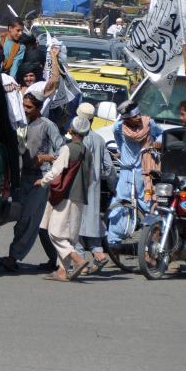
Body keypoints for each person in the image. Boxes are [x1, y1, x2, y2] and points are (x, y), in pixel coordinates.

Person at [0, 91, 64, 273]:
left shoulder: (47, 125)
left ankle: (13, 257)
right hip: (22, 176)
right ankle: (52, 259)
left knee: (28, 219)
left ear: (39, 108)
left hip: (40, 179)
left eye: (29, 107)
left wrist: (47, 158)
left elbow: (63, 152)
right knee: (21, 218)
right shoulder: (20, 124)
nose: (25, 110)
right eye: (23, 106)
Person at [38, 116, 92, 281]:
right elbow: (90, 178)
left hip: (65, 196)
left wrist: (43, 181)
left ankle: (78, 259)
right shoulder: (88, 153)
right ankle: (62, 271)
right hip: (80, 197)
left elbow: (56, 171)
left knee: (55, 232)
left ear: (71, 130)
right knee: (69, 236)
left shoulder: (67, 149)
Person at [106, 101, 163, 247]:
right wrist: (122, 154)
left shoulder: (149, 123)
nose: (138, 117)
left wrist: (158, 141)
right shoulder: (119, 127)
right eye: (134, 116)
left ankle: (152, 242)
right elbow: (119, 143)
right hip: (126, 171)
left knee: (148, 203)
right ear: (126, 119)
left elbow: (161, 134)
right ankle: (114, 241)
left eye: (139, 114)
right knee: (120, 202)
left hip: (145, 172)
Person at [76, 102, 114, 273]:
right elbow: (109, 167)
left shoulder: (78, 140)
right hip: (94, 188)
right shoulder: (99, 139)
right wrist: (112, 185)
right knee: (92, 223)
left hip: (77, 188)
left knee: (75, 225)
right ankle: (99, 254)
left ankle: (80, 262)